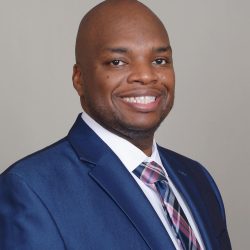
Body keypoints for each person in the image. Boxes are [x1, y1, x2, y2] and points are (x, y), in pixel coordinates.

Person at [0, 0, 231, 249]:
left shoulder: (197, 178)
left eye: (160, 60)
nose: (145, 75)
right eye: (117, 62)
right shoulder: (30, 189)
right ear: (79, 78)